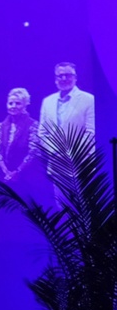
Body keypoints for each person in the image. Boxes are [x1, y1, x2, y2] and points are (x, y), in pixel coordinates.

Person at [38, 62, 95, 204]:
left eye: (67, 75)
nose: (63, 78)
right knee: (63, 208)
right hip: (57, 164)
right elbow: (42, 132)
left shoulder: (88, 99)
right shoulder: (47, 101)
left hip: (81, 162)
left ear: (75, 77)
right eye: (60, 76)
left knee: (85, 209)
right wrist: (56, 150)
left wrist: (71, 151)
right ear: (55, 78)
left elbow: (90, 132)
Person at [0, 87, 41, 192]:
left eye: (18, 103)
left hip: (27, 176)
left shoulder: (33, 125)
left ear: (25, 105)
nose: (13, 106)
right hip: (4, 175)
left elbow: (33, 152)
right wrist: (6, 171)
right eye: (10, 103)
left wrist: (17, 171)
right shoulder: (1, 126)